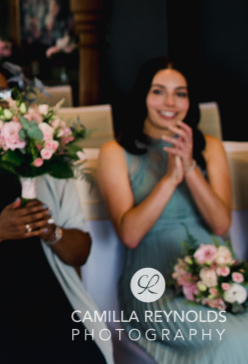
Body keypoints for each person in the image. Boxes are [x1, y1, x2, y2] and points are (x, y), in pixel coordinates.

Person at [0, 60, 111, 364]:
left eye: (0, 95)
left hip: (48, 290)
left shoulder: (45, 158)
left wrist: (51, 231)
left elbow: (81, 253)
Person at [98, 57, 246, 363]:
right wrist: (169, 179)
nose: (170, 102)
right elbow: (130, 235)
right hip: (153, 282)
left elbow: (220, 225)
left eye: (180, 93)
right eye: (158, 91)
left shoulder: (211, 148)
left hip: (218, 277)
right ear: (142, 96)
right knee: (236, 340)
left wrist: (190, 168)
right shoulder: (115, 152)